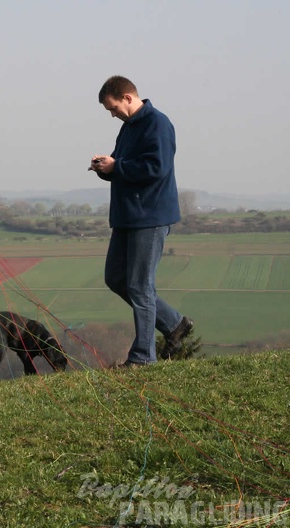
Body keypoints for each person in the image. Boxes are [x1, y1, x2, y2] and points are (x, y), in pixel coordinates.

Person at [89, 75, 193, 367]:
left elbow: (156, 168)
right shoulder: (128, 129)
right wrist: (105, 167)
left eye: (113, 108)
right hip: (127, 217)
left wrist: (117, 166)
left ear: (127, 98)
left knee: (140, 286)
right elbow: (122, 165)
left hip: (150, 216)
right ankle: (173, 324)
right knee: (116, 278)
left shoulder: (158, 124)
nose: (112, 114)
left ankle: (143, 357)